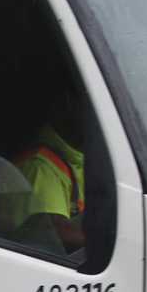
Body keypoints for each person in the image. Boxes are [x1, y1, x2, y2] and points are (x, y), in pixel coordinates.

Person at [12, 87, 87, 253]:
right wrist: (107, 243)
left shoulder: (80, 159)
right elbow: (56, 232)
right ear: (66, 106)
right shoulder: (40, 165)